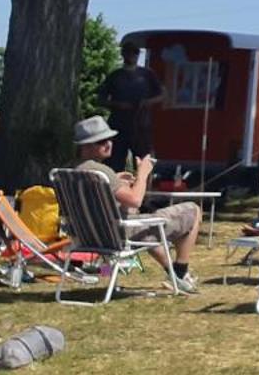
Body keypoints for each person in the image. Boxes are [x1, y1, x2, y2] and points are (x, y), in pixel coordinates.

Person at [69, 115, 200, 293]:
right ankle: (180, 272)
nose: (109, 144)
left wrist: (115, 180)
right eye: (101, 141)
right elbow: (136, 199)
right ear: (86, 146)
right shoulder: (100, 171)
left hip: (86, 236)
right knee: (193, 210)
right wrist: (143, 173)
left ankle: (173, 273)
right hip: (117, 235)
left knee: (138, 218)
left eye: (109, 139)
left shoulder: (71, 171)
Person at [97, 45, 163, 170]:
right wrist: (118, 104)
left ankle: (142, 187)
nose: (132, 55)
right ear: (123, 54)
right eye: (128, 52)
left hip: (141, 125)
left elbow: (162, 95)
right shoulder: (115, 76)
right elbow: (100, 100)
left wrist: (147, 102)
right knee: (115, 162)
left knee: (143, 162)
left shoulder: (147, 74)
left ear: (138, 55)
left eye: (135, 52)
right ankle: (117, 187)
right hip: (118, 126)